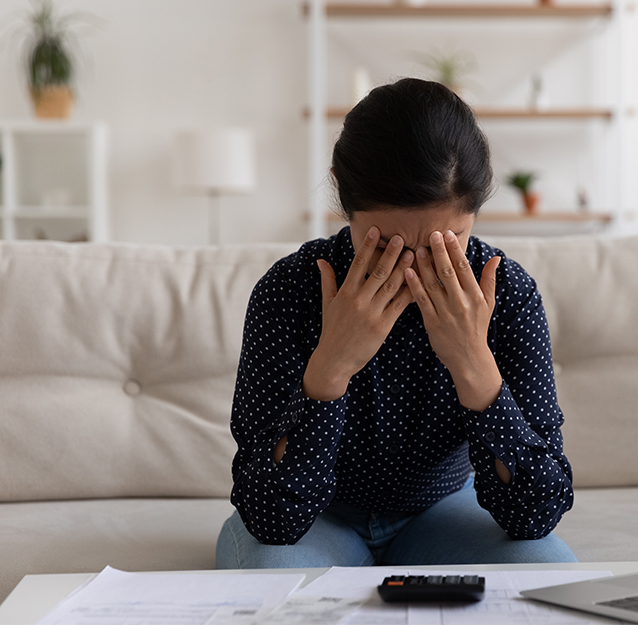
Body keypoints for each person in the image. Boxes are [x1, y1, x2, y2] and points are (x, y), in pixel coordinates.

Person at [216, 78, 576, 569]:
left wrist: (473, 363)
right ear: (347, 205)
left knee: (547, 569)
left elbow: (537, 514)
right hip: (319, 519)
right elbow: (272, 519)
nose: (414, 270)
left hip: (442, 512)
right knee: (275, 579)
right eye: (387, 244)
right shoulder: (290, 291)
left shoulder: (506, 293)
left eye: (445, 245)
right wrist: (331, 366)